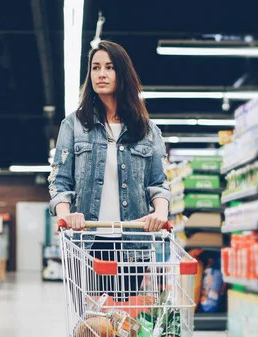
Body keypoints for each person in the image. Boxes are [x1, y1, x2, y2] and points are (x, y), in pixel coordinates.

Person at [48, 40, 172, 302]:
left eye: (109, 67)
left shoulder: (148, 131)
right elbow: (60, 181)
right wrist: (66, 215)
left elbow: (159, 183)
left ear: (122, 74)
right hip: (86, 243)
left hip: (132, 246)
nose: (101, 74)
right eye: (95, 67)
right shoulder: (74, 125)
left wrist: (160, 213)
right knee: (92, 324)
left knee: (123, 322)